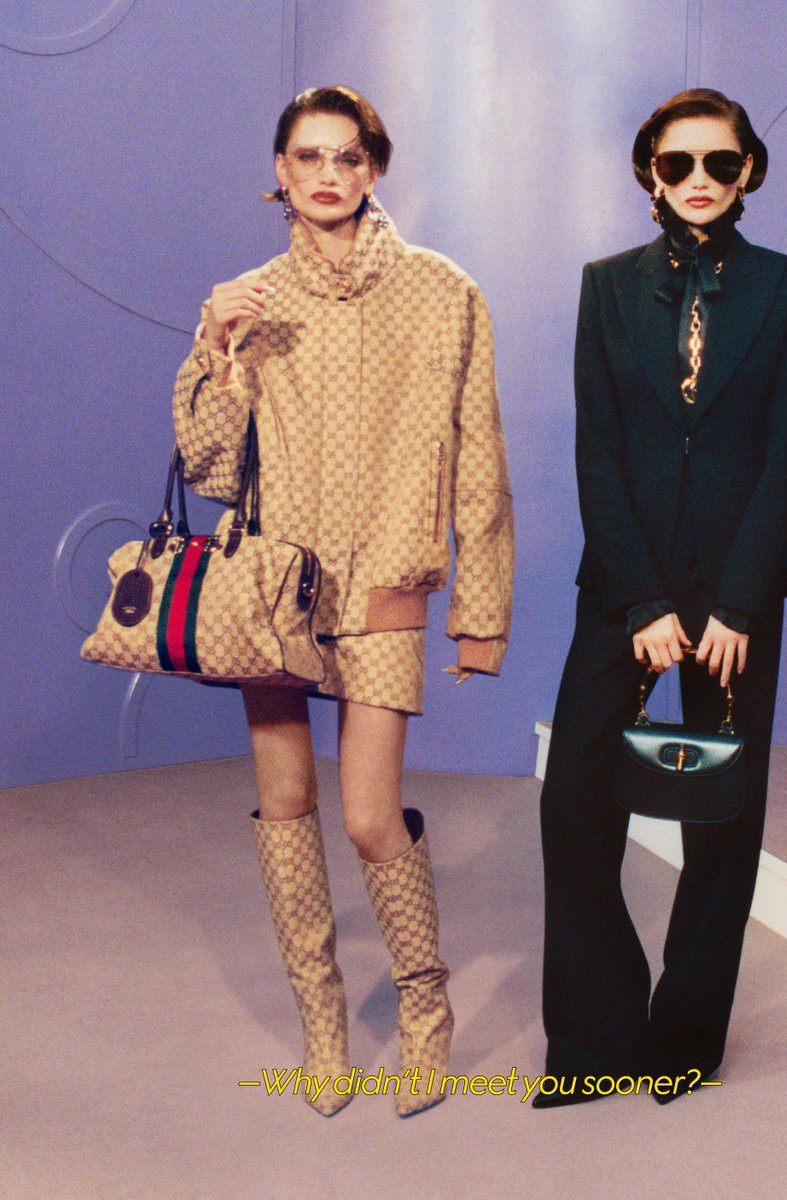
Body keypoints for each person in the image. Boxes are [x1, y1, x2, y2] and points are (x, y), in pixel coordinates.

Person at [172, 85, 513, 1117]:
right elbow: (210, 469)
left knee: (368, 817)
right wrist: (215, 349)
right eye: (309, 156)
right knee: (285, 807)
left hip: (386, 578)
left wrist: (481, 611)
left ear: (375, 167)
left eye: (348, 156)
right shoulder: (250, 298)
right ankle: (321, 1022)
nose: (328, 174)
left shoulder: (444, 291)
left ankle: (424, 1005)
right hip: (274, 591)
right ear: (278, 171)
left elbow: (481, 461)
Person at [535, 88, 787, 1107]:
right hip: (628, 587)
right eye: (678, 163)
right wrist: (643, 602)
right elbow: (598, 451)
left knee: (723, 818)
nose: (700, 180)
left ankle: (685, 1042)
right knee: (574, 801)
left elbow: (784, 452)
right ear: (648, 173)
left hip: (739, 595)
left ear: (750, 171)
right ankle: (595, 1039)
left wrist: (736, 603)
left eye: (721, 163)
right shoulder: (607, 286)